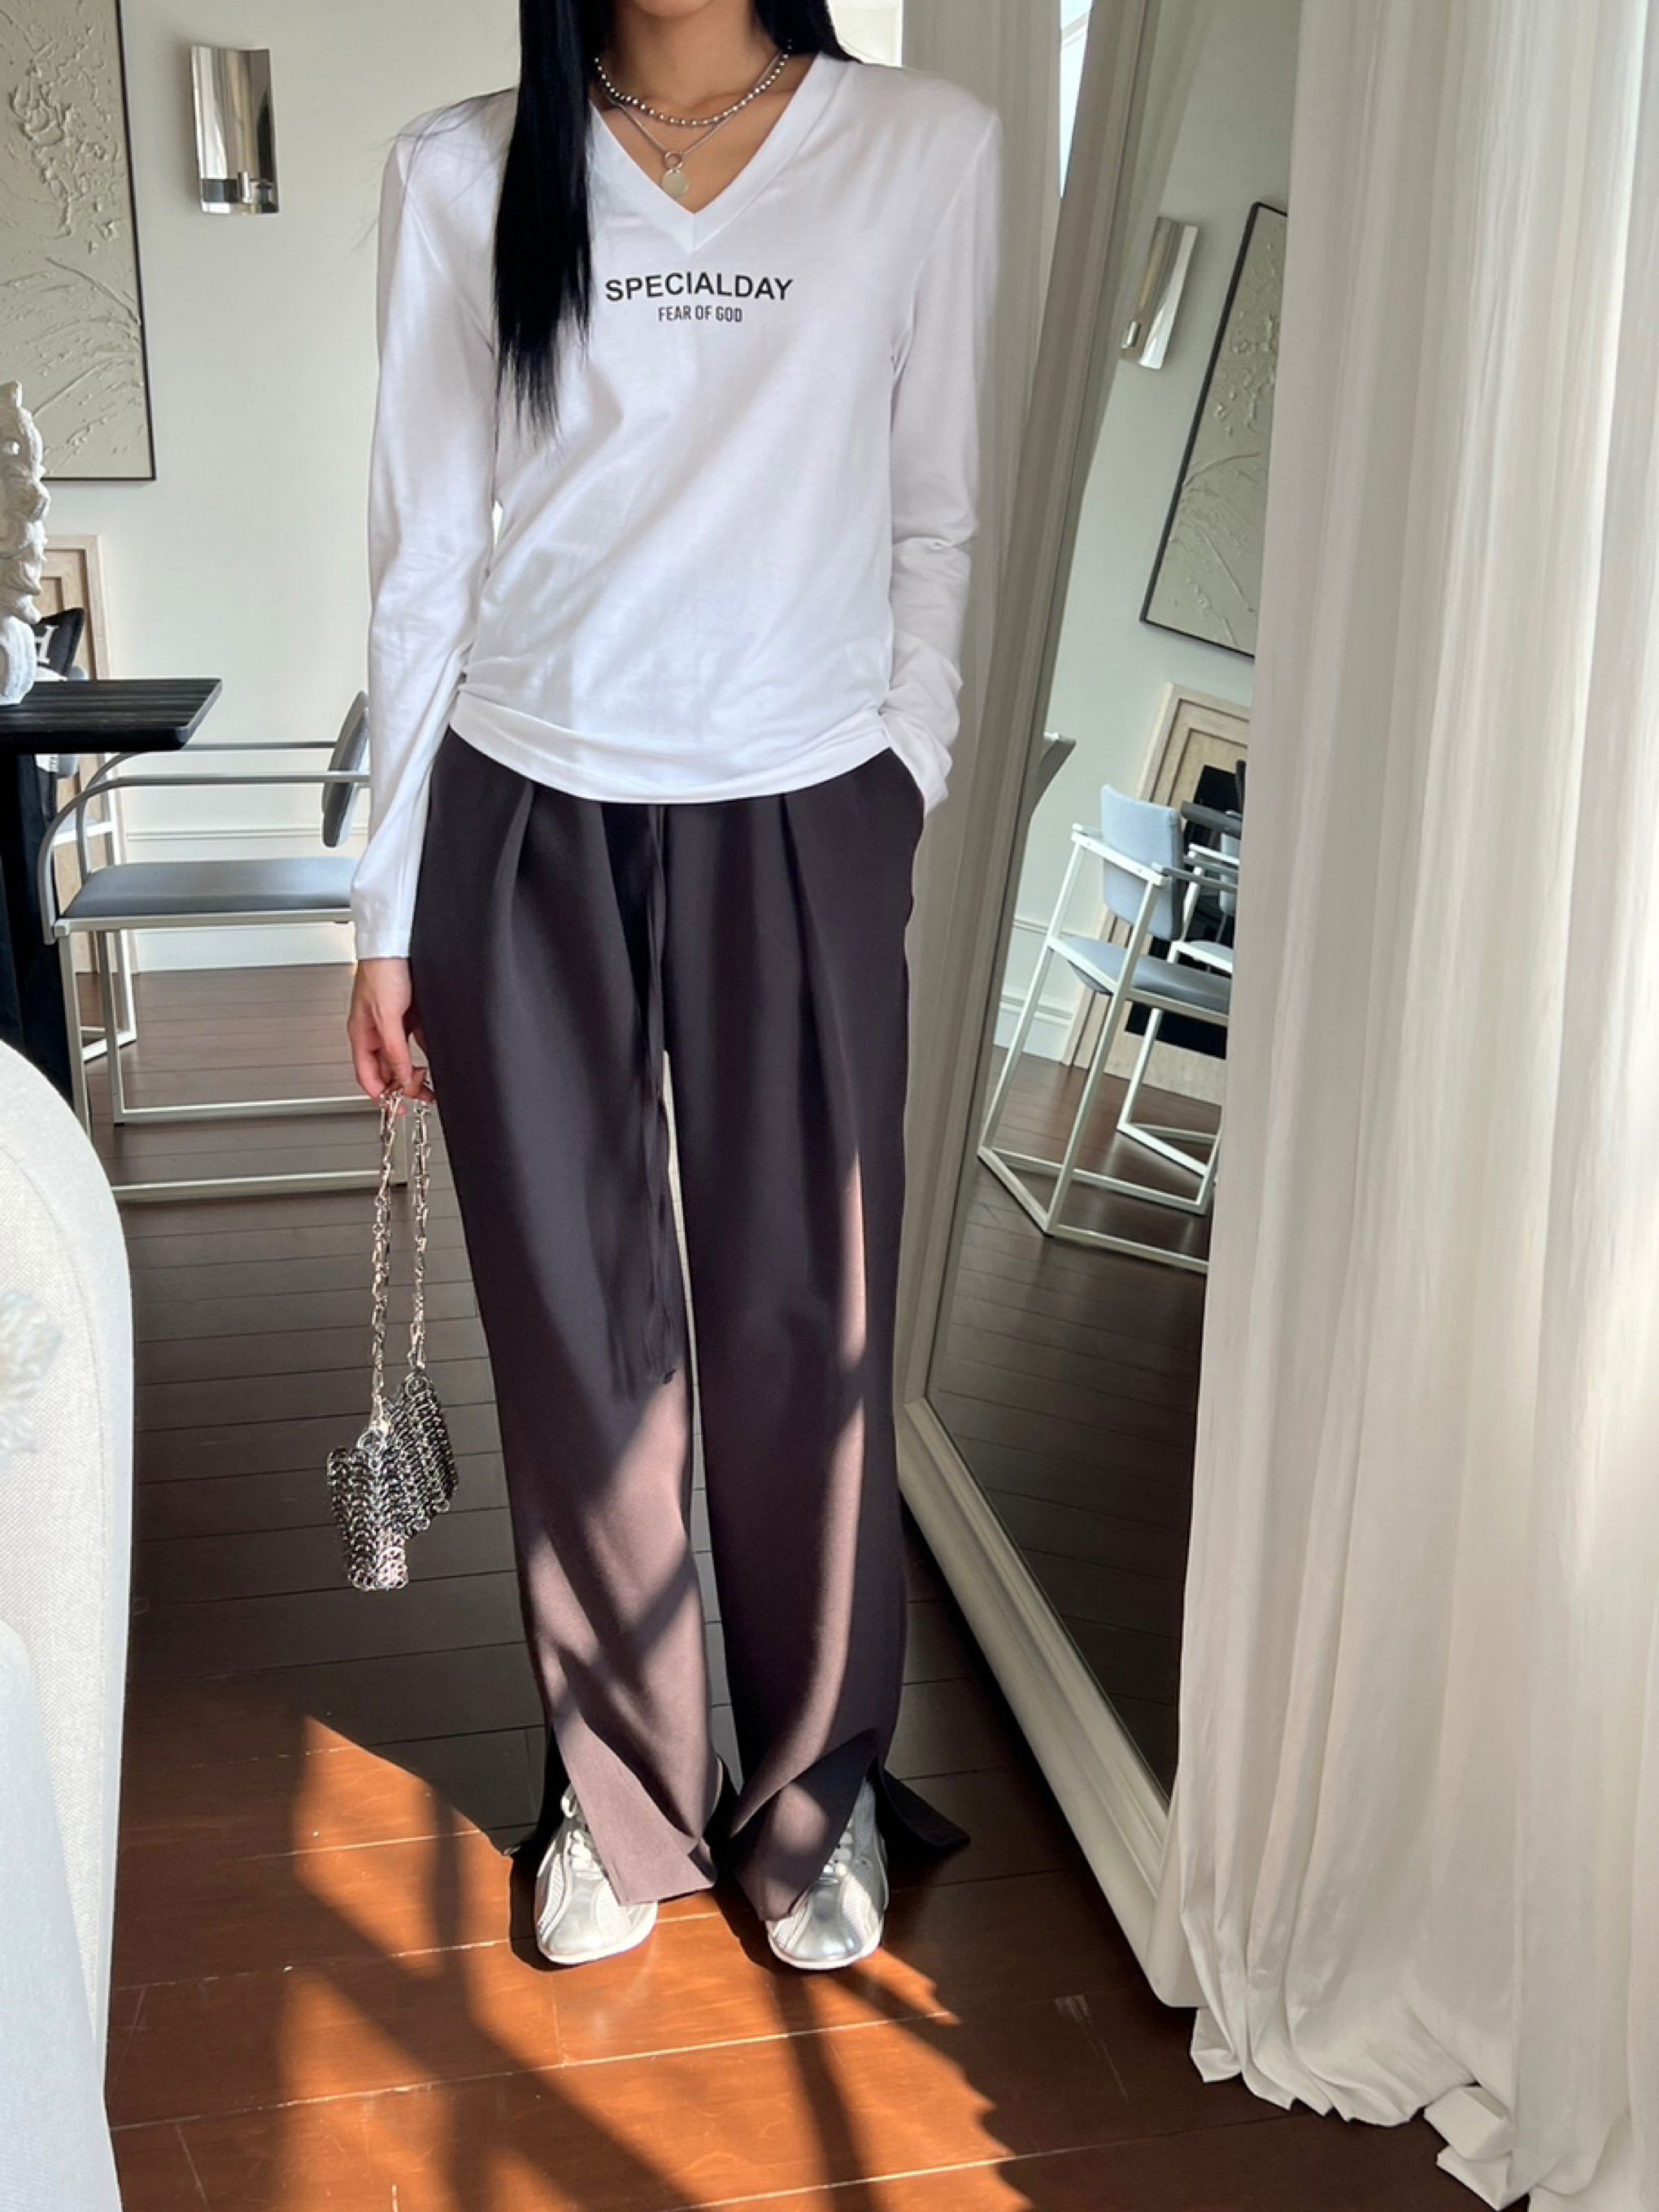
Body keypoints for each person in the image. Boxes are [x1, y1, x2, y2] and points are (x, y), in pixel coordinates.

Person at [346, 0, 1001, 1972]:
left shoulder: (922, 148)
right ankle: (619, 1797)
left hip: (804, 802)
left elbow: (935, 506)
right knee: (574, 1330)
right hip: (523, 803)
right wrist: (385, 905)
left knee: (815, 1320)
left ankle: (813, 1800)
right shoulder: (462, 169)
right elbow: (422, 548)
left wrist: (900, 770)